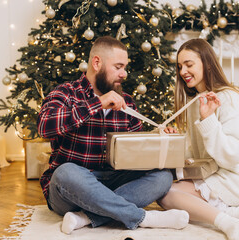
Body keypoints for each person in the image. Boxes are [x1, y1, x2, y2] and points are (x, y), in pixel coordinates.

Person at [37, 36, 189, 234]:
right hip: (72, 189)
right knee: (66, 173)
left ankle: (86, 217)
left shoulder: (127, 103)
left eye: (124, 67)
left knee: (162, 177)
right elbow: (44, 126)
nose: (124, 73)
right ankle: (142, 217)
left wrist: (159, 138)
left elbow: (138, 151)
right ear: (97, 63)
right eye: (118, 67)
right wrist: (97, 103)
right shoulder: (66, 93)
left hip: (113, 183)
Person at [158, 39, 239, 240]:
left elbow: (231, 156)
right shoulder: (198, 101)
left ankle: (228, 223)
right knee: (163, 192)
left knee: (166, 195)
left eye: (189, 65)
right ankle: (237, 214)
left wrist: (209, 119)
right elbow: (199, 156)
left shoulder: (227, 99)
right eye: (180, 66)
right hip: (220, 174)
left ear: (207, 64)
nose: (183, 71)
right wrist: (176, 144)